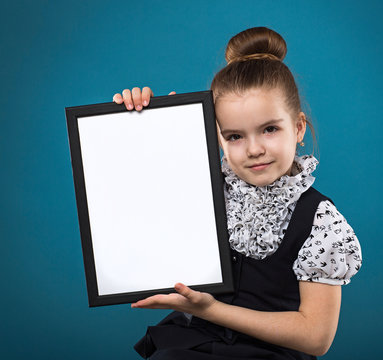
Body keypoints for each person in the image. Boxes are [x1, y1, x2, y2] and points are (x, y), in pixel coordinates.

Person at [113, 27, 362, 360]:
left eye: (270, 129)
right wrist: (143, 120)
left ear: (298, 128)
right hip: (197, 342)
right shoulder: (202, 185)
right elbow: (135, 194)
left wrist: (211, 309)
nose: (254, 149)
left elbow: (316, 338)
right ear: (218, 139)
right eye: (234, 136)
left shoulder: (321, 222)